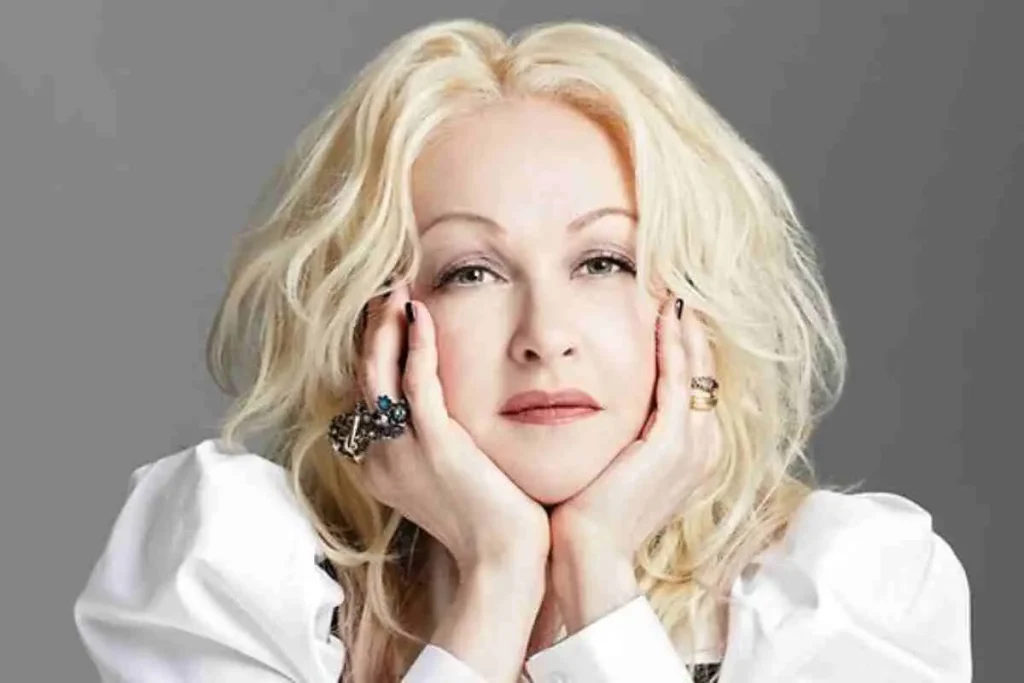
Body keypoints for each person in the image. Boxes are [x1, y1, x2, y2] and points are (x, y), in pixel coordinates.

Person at [72, 18, 972, 683]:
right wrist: (497, 578)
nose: (547, 336)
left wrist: (596, 575)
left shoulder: (856, 589)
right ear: (376, 320)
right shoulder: (227, 572)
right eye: (471, 271)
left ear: (691, 308)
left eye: (604, 260)